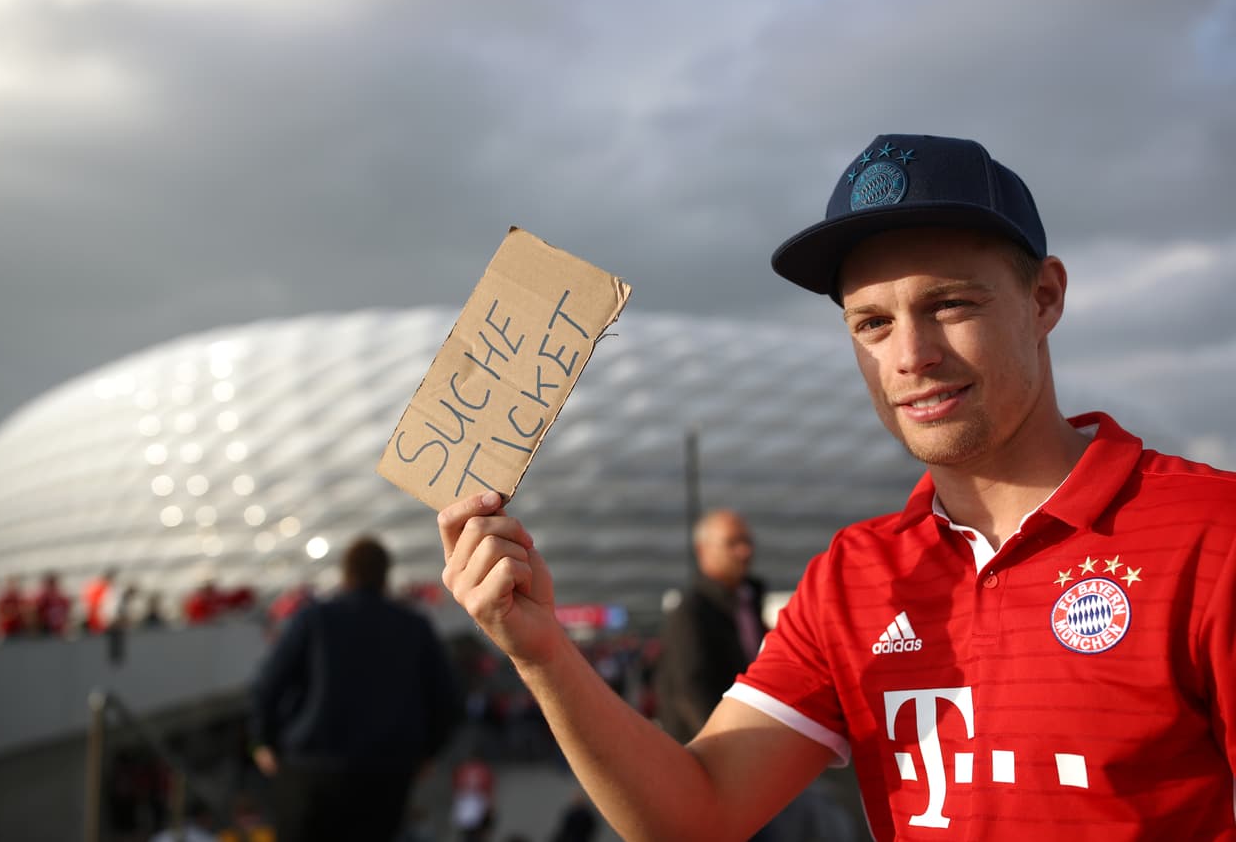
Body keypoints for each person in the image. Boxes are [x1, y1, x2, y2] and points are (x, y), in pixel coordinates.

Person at [435, 133, 1236, 841]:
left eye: (951, 303)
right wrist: (541, 652)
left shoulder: (1211, 535)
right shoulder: (854, 579)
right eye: (872, 323)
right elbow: (698, 812)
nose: (911, 355)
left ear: (1045, 297)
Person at [249, 535, 463, 841]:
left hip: (310, 770)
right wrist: (427, 752)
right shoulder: (414, 626)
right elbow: (447, 699)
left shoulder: (314, 618)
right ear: (386, 573)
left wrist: (263, 742)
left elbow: (267, 685)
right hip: (384, 775)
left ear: (345, 571)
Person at [655, 508, 765, 744]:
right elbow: (690, 689)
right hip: (711, 750)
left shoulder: (749, 600)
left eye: (747, 541)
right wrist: (724, 744)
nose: (744, 551)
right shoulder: (690, 612)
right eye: (732, 543)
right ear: (703, 551)